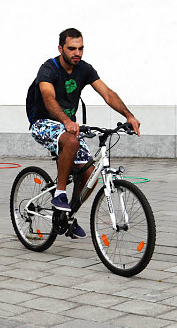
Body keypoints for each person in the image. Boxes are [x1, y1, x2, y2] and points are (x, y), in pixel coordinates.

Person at [29, 28, 140, 238]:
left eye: (80, 48)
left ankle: (67, 217)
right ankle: (60, 194)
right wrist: (66, 121)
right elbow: (48, 98)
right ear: (60, 48)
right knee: (71, 141)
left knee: (89, 174)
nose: (76, 53)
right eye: (71, 48)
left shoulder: (84, 69)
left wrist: (128, 115)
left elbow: (107, 93)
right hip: (44, 123)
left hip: (69, 126)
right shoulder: (48, 69)